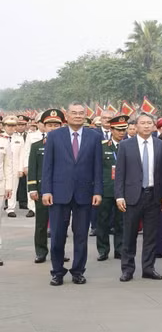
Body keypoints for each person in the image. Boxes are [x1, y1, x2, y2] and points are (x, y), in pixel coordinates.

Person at [39, 102, 103, 285]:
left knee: (81, 236)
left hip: (85, 193)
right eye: (74, 113)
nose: (78, 116)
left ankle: (78, 271)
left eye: (81, 113)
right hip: (59, 193)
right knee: (57, 236)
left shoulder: (94, 136)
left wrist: (98, 191)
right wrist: (46, 191)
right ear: (67, 115)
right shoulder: (54, 136)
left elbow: (98, 167)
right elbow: (47, 166)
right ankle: (57, 272)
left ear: (85, 115)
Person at [115, 113, 162, 281]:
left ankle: (148, 268)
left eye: (149, 123)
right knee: (129, 235)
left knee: (151, 235)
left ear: (154, 126)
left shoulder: (160, 145)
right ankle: (127, 269)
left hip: (154, 195)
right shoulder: (125, 145)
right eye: (143, 123)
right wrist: (119, 196)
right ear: (136, 126)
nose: (146, 126)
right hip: (132, 196)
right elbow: (120, 173)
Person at [26, 109, 64, 264]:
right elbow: (33, 168)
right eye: (50, 125)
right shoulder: (36, 146)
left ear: (61, 126)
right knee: (41, 224)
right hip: (42, 190)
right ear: (44, 127)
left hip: (61, 189)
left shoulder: (68, 146)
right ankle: (41, 251)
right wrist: (32, 188)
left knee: (60, 224)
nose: (53, 128)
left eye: (56, 125)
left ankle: (58, 252)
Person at [96, 115, 127, 261]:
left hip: (123, 190)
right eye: (118, 130)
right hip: (106, 189)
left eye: (123, 130)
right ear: (111, 130)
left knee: (121, 222)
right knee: (103, 221)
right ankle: (103, 250)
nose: (121, 133)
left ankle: (119, 249)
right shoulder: (102, 147)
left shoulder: (129, 146)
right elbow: (97, 169)